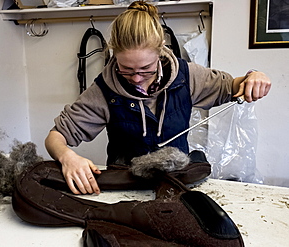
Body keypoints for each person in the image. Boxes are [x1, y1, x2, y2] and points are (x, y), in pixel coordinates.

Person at [45, 1, 271, 195]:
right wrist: (67, 157)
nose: (136, 78)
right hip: (125, 190)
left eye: (146, 69)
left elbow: (233, 86)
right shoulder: (104, 91)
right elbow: (55, 137)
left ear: (161, 50)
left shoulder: (187, 76)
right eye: (126, 68)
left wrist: (254, 77)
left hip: (177, 185)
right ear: (114, 54)